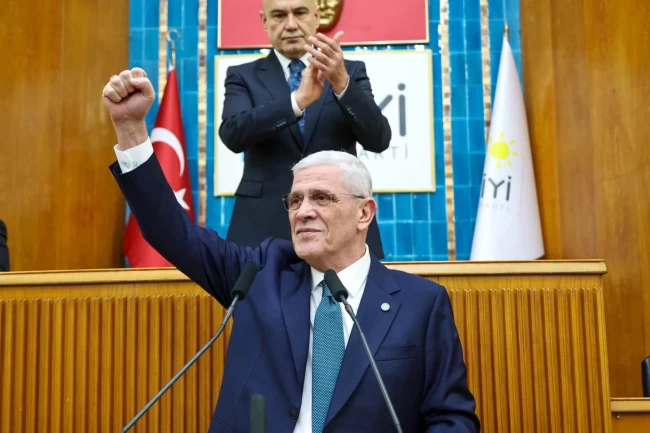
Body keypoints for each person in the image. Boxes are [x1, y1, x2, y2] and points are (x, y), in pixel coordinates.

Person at [103, 69, 479, 433]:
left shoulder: (420, 303)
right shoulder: (259, 275)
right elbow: (170, 231)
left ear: (364, 213)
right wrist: (131, 129)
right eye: (295, 200)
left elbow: (451, 417)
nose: (303, 211)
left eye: (322, 198)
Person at [218, 0, 391, 259]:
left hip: (340, 225)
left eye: (300, 13)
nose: (290, 25)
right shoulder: (243, 76)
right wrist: (296, 102)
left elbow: (378, 139)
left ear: (317, 16)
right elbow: (233, 134)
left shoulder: (350, 71)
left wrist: (342, 84)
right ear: (264, 20)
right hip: (262, 226)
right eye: (279, 15)